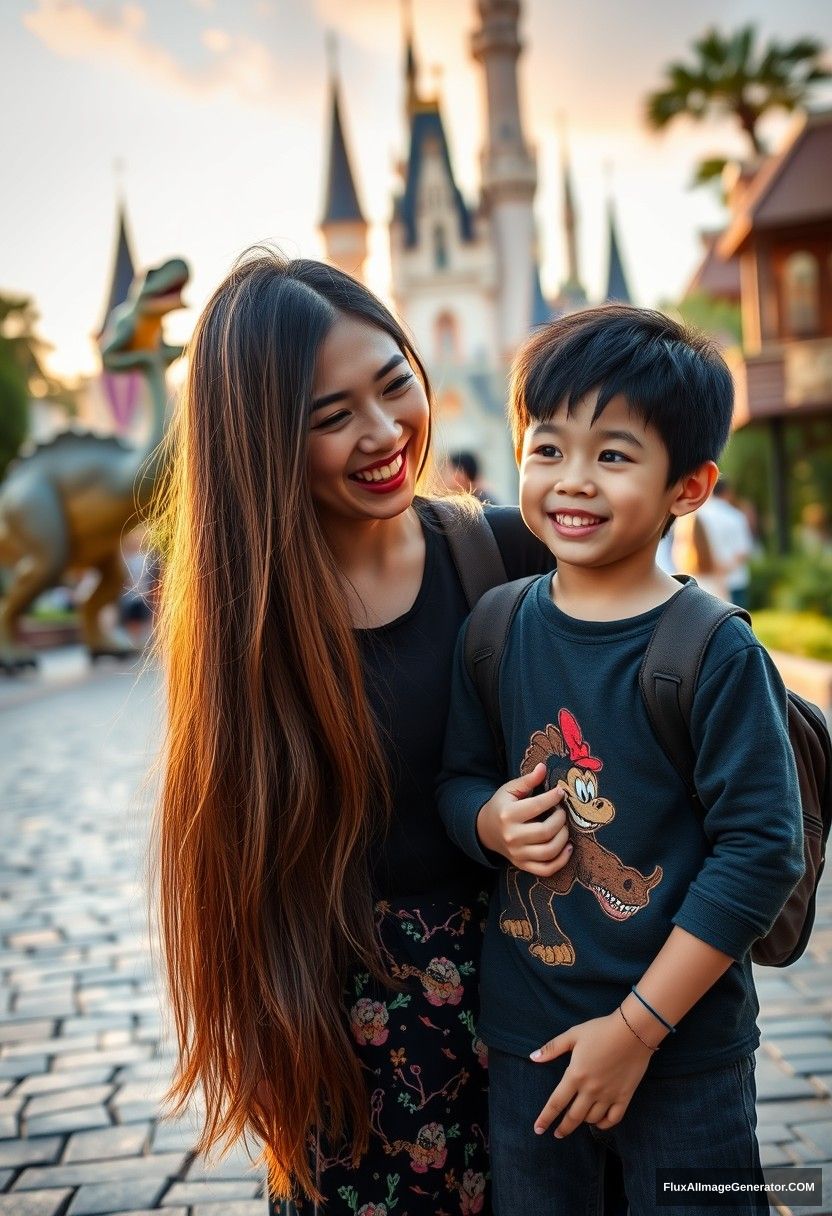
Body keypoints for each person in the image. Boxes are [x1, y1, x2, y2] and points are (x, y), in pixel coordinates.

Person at [152, 251, 559, 1214]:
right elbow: (242, 874)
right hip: (358, 1075)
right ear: (260, 444)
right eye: (330, 418)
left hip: (545, 1027)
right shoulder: (245, 627)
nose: (384, 435)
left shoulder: (508, 552)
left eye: (393, 385)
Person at [438, 306, 804, 1216]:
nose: (573, 481)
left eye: (612, 455)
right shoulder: (494, 628)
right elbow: (454, 780)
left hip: (684, 1053)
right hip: (532, 1046)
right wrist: (489, 821)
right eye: (548, 448)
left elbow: (763, 851)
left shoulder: (713, 652)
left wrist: (637, 1030)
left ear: (688, 487)